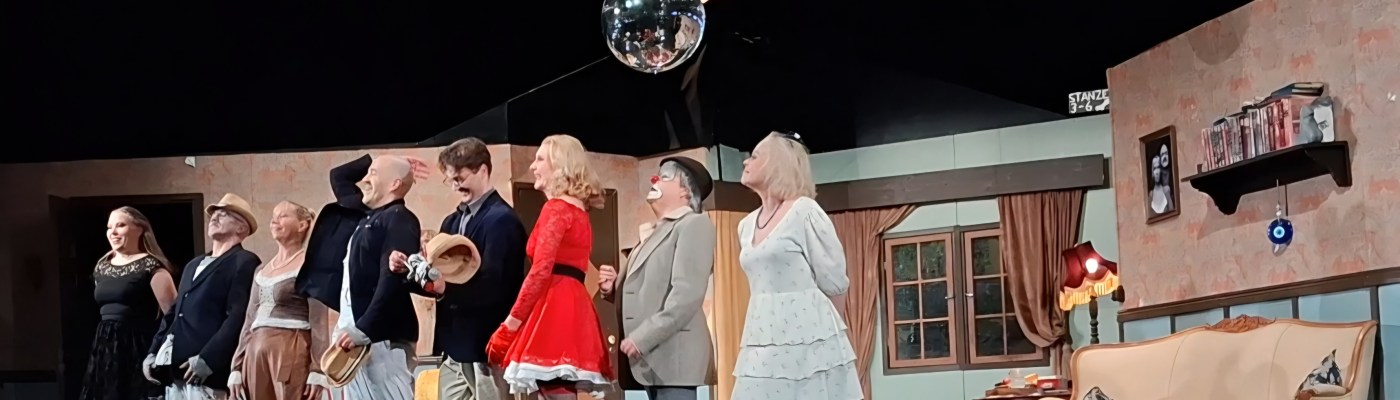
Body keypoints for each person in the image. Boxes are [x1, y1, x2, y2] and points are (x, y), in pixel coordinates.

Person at [389, 137, 528, 400]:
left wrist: (445, 289)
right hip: (453, 348)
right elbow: (438, 282)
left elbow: (497, 287)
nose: (455, 186)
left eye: (460, 178)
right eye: (450, 180)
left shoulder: (502, 221)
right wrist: (406, 270)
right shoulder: (451, 222)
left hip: (486, 348)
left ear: (482, 170)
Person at [731, 132, 861, 400]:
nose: (745, 162)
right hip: (762, 330)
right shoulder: (745, 225)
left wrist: (827, 341)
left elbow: (835, 282)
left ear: (777, 163)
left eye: (754, 156)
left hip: (808, 332)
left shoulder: (804, 211)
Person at [486, 134, 613, 399]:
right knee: (561, 389)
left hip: (553, 306)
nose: (533, 166)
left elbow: (540, 271)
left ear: (560, 165)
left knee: (554, 389)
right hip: (575, 307)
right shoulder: (580, 212)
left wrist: (510, 325)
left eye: (540, 159)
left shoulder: (556, 208)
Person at [598, 156, 716, 400]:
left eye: (664, 177)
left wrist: (643, 338)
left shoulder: (693, 224)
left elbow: (686, 296)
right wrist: (614, 289)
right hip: (653, 359)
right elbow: (648, 289)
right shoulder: (654, 232)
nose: (655, 180)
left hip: (675, 357)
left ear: (685, 190)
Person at [143, 193, 263, 400]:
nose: (214, 217)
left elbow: (238, 316)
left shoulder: (243, 261)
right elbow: (174, 312)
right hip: (176, 370)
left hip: (206, 374)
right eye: (214, 214)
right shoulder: (193, 265)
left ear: (242, 228)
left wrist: (209, 359)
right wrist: (154, 349)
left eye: (224, 214)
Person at [331, 155, 423, 399]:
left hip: (382, 338)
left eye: (373, 173)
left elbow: (392, 278)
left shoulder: (399, 218)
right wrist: (377, 159)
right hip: (357, 334)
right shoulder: (368, 216)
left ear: (394, 184)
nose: (365, 179)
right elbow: (339, 177)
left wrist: (364, 329)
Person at [227, 201, 330, 400]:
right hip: (255, 352)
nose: (274, 221)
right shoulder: (262, 270)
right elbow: (249, 319)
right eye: (273, 216)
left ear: (302, 225)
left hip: (290, 348)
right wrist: (236, 366)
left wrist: (318, 369)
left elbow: (319, 320)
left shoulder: (311, 266)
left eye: (283, 216)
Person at [81, 206, 178, 400]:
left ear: (140, 229)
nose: (113, 232)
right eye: (109, 227)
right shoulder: (102, 266)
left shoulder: (152, 266)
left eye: (120, 225)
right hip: (105, 346)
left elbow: (174, 316)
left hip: (136, 345)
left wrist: (159, 354)